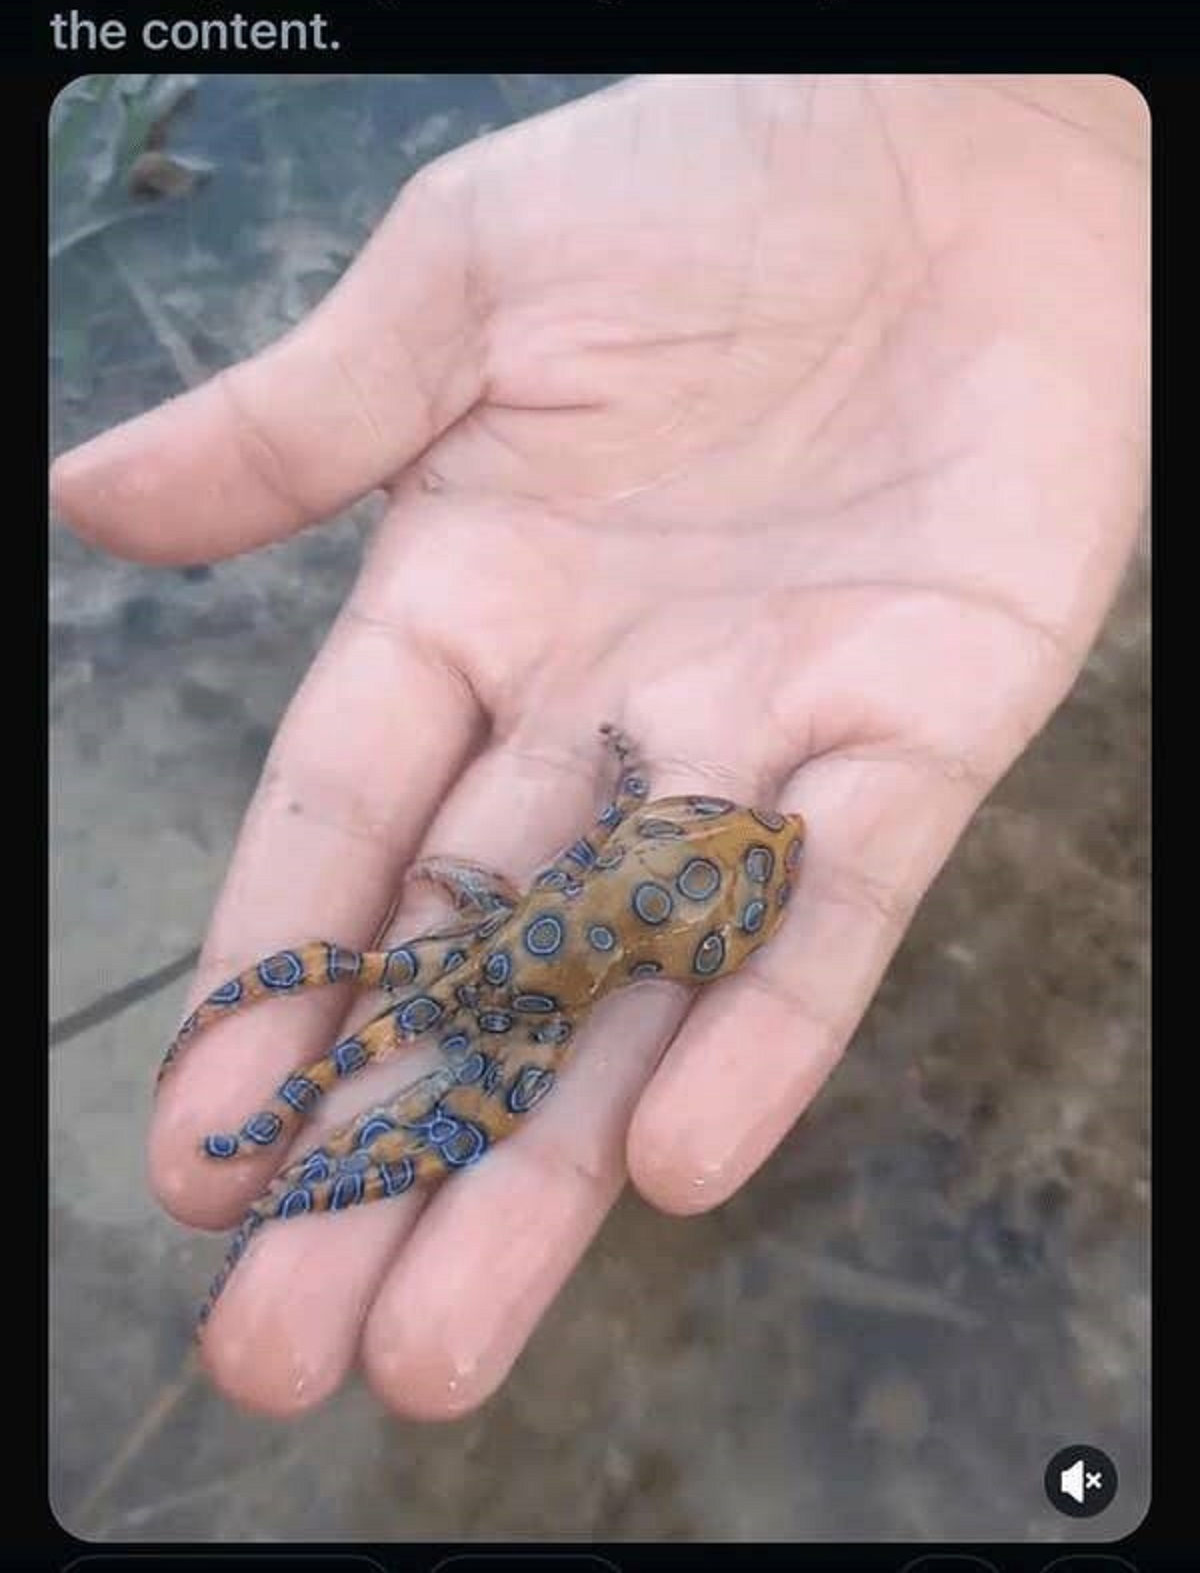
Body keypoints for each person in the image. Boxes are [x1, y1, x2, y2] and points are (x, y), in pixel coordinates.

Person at [49, 73, 1148, 1420]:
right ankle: (271, 1140)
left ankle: (282, 1148)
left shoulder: (650, 884)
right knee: (371, 1032)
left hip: (572, 925)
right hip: (554, 929)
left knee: (375, 1024)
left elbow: (626, 877)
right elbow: (603, 866)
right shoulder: (600, 888)